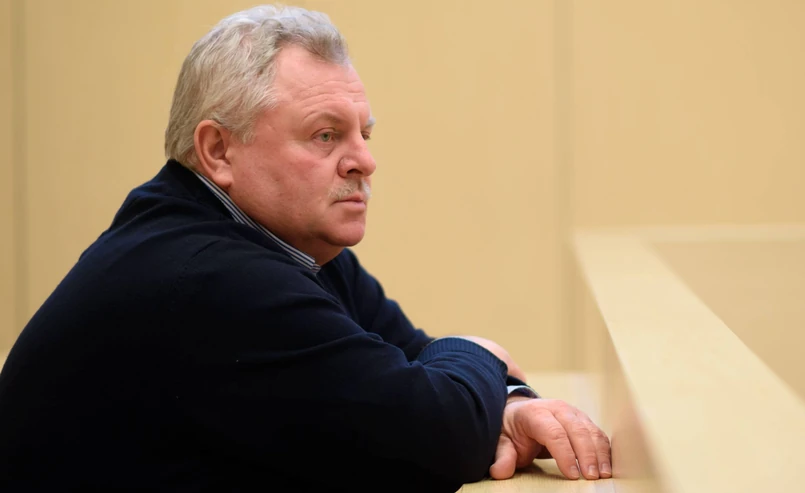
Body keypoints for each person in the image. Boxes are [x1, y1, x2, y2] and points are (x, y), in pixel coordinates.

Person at [0, 5, 610, 492]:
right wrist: (483, 352)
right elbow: (432, 436)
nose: (364, 160)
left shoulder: (292, 245)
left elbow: (412, 366)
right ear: (218, 151)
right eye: (325, 135)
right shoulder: (209, 276)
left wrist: (507, 404)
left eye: (363, 133)